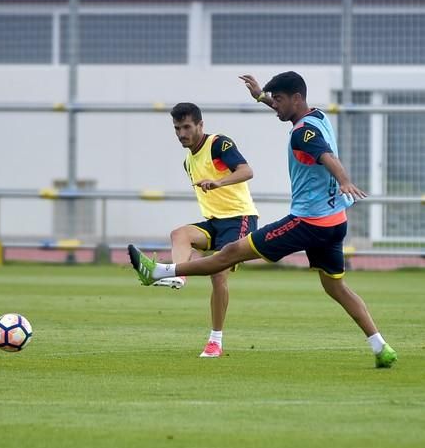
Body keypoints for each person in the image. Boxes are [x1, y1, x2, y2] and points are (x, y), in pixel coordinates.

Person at [128, 71, 397, 368]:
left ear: (296, 98)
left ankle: (160, 272)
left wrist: (344, 180)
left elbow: (326, 157)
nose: (276, 105)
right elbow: (301, 126)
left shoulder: (301, 134)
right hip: (335, 221)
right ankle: (381, 347)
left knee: (229, 254)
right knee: (336, 287)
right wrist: (261, 97)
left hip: (308, 223)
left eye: (278, 99)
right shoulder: (317, 116)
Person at [149, 102, 259, 358]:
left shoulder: (219, 144)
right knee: (180, 234)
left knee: (218, 275)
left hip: (240, 218)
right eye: (177, 128)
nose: (181, 133)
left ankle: (215, 341)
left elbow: (246, 171)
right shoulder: (187, 162)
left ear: (200, 125)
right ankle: (179, 274)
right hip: (214, 223)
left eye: (187, 127)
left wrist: (218, 182)